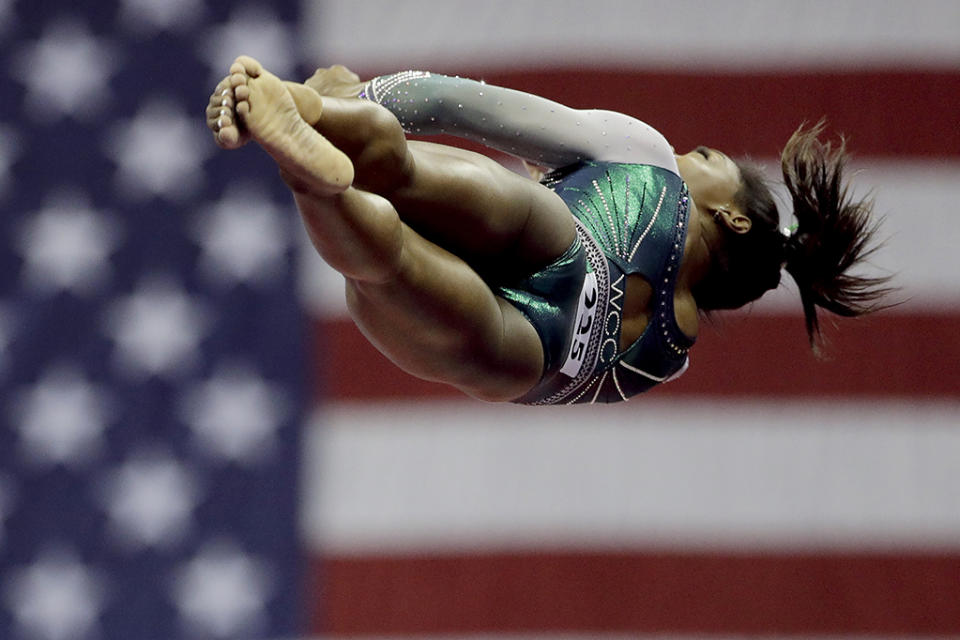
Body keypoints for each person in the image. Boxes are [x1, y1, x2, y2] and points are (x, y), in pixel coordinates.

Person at [205, 56, 891, 405]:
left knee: (402, 171)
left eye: (706, 159)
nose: (689, 153)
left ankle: (307, 109)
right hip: (521, 357)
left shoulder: (651, 161)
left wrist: (349, 96)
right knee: (382, 268)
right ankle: (302, 163)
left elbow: (451, 102)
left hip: (568, 239)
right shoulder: (670, 358)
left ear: (734, 215)